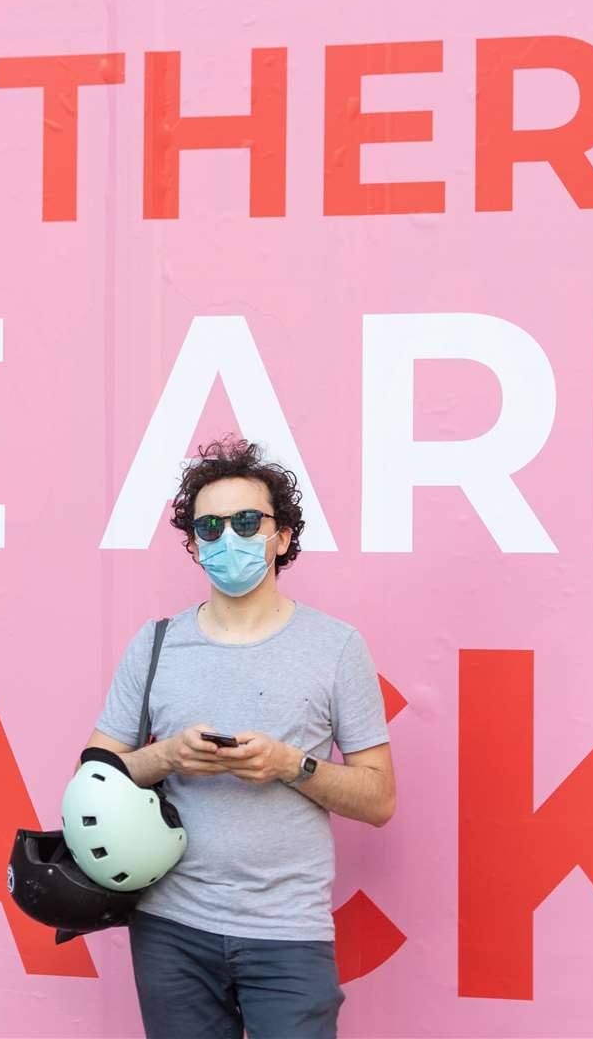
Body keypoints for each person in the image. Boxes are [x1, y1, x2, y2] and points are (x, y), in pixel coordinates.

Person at [85, 436, 395, 1039]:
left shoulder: (336, 647)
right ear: (195, 547)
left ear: (280, 537)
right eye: (210, 527)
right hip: (169, 927)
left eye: (247, 521)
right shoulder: (155, 644)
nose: (229, 538)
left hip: (288, 934)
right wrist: (167, 754)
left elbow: (380, 800)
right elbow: (93, 774)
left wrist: (291, 765)